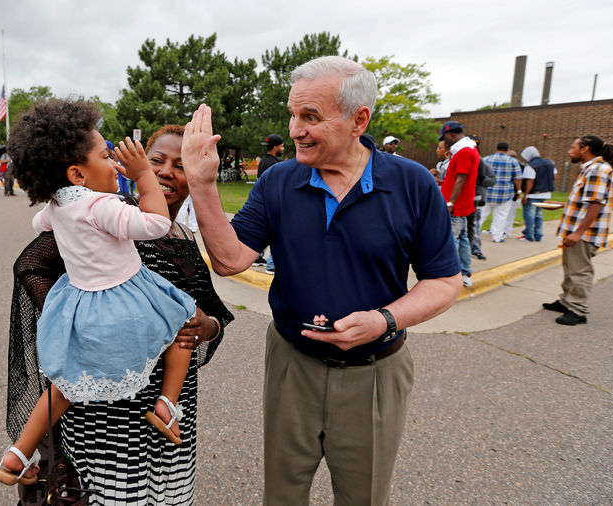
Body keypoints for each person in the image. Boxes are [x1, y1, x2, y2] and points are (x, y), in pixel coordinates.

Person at [182, 56, 461, 505]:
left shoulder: (412, 184)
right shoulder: (278, 180)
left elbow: (445, 282)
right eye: (293, 114)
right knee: (283, 495)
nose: (294, 129)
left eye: (310, 116)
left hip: (375, 372)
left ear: (359, 119)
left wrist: (384, 319)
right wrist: (202, 184)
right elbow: (230, 260)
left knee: (362, 496)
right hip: (293, 365)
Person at [6, 123, 233, 505]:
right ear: (136, 163)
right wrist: (78, 324)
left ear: (195, 176)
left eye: (181, 165)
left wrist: (207, 327)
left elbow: (211, 310)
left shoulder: (185, 237)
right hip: (106, 412)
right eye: (156, 159)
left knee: (169, 496)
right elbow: (30, 265)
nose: (164, 171)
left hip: (171, 408)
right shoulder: (107, 213)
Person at [543, 135, 613, 326]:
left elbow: (595, 204)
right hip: (575, 229)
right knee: (570, 268)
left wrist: (578, 232)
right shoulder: (589, 169)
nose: (569, 151)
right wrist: (561, 205)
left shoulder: (598, 170)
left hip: (584, 232)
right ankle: (566, 301)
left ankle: (578, 310)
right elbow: (586, 200)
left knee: (580, 270)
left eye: (572, 147)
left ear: (585, 149)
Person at [439, 120, 479, 287]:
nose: (444, 141)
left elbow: (460, 180)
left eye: (445, 137)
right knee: (462, 240)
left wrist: (450, 202)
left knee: (452, 241)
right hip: (462, 205)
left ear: (452, 135)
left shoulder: (463, 152)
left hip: (455, 206)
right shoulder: (470, 150)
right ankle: (465, 273)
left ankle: (450, 275)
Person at [254, 133, 286, 271]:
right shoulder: (275, 164)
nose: (283, 149)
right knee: (277, 232)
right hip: (274, 203)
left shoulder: (263, 161)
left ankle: (256, 257)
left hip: (262, 202)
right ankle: (272, 265)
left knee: (264, 231)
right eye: (282, 146)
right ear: (275, 147)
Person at [480, 142, 522, 243]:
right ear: (507, 150)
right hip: (505, 193)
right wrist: (519, 190)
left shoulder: (486, 159)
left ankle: (472, 234)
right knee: (501, 216)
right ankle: (497, 237)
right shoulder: (513, 161)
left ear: (496, 148)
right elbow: (518, 178)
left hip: (487, 192)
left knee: (481, 214)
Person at [519, 146, 556, 242]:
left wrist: (525, 195)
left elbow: (530, 181)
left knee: (529, 215)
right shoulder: (550, 163)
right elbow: (554, 176)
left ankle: (529, 235)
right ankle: (538, 235)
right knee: (539, 215)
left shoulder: (531, 165)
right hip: (546, 193)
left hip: (533, 194)